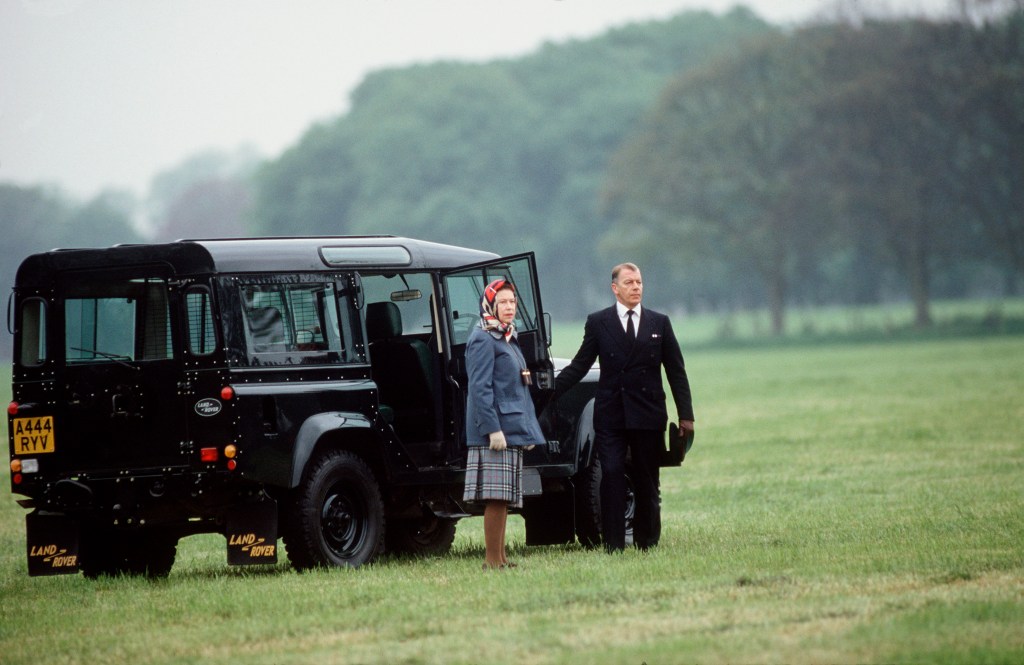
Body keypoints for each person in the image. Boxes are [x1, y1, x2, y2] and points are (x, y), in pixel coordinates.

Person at [554, 262, 695, 552]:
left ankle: (647, 542)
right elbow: (580, 365)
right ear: (615, 289)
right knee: (612, 476)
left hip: (648, 414)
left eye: (639, 282)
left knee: (646, 479)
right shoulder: (598, 322)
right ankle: (613, 544)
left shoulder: (660, 323)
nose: (636, 288)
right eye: (629, 283)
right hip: (611, 416)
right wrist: (547, 390)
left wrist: (686, 416)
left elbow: (676, 371)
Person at [463, 278, 545, 569]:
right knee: (496, 498)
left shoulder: (508, 336)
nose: (510, 307)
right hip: (495, 432)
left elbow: (519, 388)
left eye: (512, 302)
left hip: (511, 428)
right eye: (504, 302)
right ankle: (491, 561)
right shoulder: (483, 338)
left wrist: (528, 430)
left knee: (505, 497)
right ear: (491, 305)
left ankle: (501, 560)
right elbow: (480, 388)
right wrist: (492, 429)